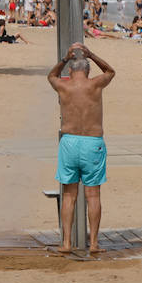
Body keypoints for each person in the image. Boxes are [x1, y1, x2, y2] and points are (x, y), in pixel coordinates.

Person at [47, 43, 115, 254]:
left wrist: (64, 58)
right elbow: (110, 71)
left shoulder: (64, 86)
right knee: (93, 195)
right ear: (87, 70)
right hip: (91, 142)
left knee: (69, 195)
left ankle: (66, 243)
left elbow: (51, 76)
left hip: (69, 142)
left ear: (70, 70)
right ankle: (93, 243)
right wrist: (92, 53)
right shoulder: (95, 85)